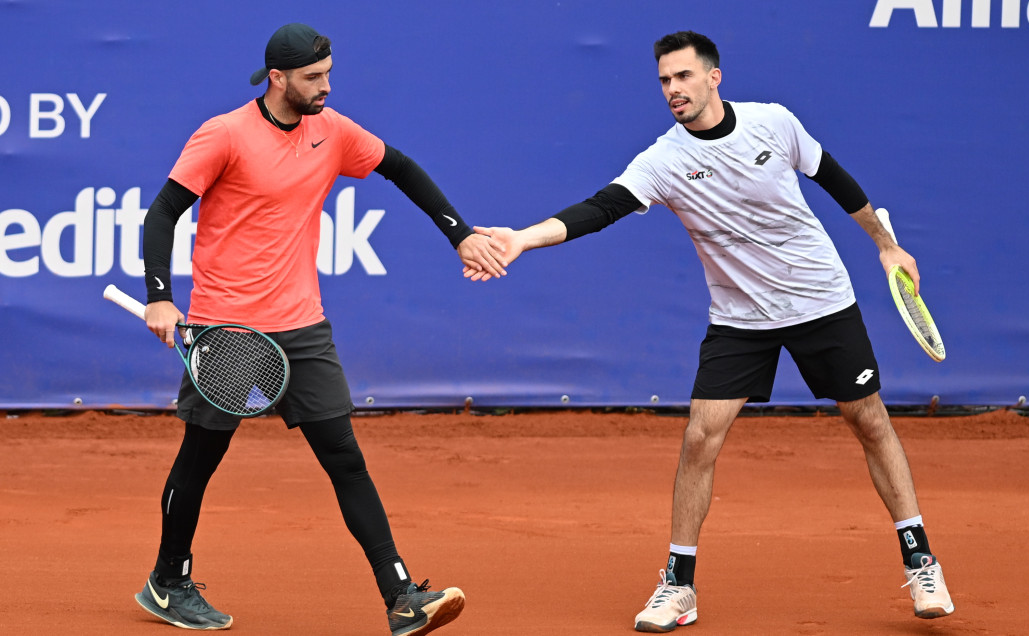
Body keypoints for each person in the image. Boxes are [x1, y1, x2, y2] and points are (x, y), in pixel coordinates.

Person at [468, 30, 954, 632]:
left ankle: (921, 562)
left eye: (683, 77)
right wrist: (521, 238)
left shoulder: (773, 123)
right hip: (740, 318)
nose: (673, 89)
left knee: (870, 421)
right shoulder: (664, 160)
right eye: (664, 81)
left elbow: (835, 179)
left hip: (822, 301)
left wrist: (886, 246)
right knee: (700, 437)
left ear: (713, 77)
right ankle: (678, 585)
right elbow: (600, 209)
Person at [134, 23, 503, 635]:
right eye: (313, 77)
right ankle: (167, 581)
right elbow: (163, 212)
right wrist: (160, 297)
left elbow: (402, 168)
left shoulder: (332, 131)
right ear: (278, 79)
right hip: (228, 329)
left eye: (329, 73)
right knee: (200, 460)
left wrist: (459, 234)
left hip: (302, 326)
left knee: (345, 459)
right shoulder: (224, 134)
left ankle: (401, 597)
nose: (327, 86)